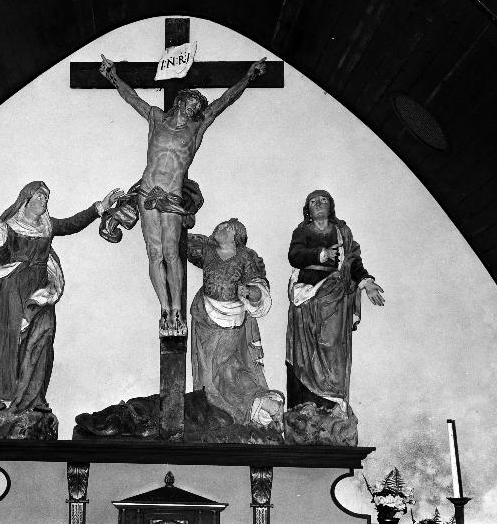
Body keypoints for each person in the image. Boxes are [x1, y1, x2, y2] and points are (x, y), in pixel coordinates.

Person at [99, 55, 267, 336]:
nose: (195, 108)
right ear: (180, 101)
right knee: (154, 253)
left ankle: (177, 308)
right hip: (147, 192)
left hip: (173, 197)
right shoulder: (156, 118)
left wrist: (248, 77)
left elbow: (223, 102)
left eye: (198, 106)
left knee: (171, 253)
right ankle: (165, 309)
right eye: (192, 102)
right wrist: (113, 77)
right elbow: (132, 99)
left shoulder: (196, 129)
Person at [0, 181, 123, 413]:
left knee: (43, 336)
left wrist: (99, 208)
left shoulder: (47, 225)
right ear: (25, 199)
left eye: (46, 198)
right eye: (39, 196)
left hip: (41, 290)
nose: (44, 201)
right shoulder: (11, 226)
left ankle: (33, 397)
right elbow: (1, 258)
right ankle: (0, 395)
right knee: (8, 340)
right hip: (13, 289)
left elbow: (71, 224)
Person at [286, 190, 385, 416]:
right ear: (308, 210)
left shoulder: (343, 232)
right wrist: (320, 255)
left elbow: (353, 261)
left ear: (331, 206)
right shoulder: (302, 231)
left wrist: (366, 283)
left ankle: (332, 405)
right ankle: (305, 406)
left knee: (332, 347)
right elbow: (294, 255)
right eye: (313, 201)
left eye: (323, 200)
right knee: (305, 350)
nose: (319, 204)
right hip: (307, 297)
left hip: (335, 297)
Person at [187, 218, 284, 428]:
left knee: (225, 367)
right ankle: (224, 415)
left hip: (231, 320)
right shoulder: (207, 250)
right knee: (208, 371)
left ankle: (261, 405)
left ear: (237, 235)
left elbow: (260, 287)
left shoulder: (246, 256)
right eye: (219, 225)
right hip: (205, 319)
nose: (220, 228)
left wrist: (250, 292)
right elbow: (179, 243)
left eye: (227, 227)